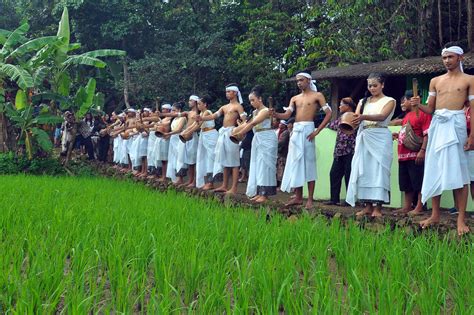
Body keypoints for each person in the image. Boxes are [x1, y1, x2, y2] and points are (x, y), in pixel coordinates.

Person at [415, 45, 473, 235]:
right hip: (438, 125)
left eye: (451, 57)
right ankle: (435, 214)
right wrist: (418, 105)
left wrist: (472, 136)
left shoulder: (469, 80)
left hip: (456, 125)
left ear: (460, 58)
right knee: (435, 168)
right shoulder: (435, 81)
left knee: (460, 173)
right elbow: (430, 109)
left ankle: (461, 219)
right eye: (444, 57)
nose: (447, 60)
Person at [271, 72, 332, 209]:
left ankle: (309, 199)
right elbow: (287, 114)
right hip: (296, 131)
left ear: (309, 80)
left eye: (301, 80)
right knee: (295, 163)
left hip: (308, 129)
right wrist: (276, 114)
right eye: (297, 81)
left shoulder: (318, 96)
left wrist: (317, 130)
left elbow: (329, 113)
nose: (299, 83)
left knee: (309, 164)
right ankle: (298, 197)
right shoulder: (295, 98)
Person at [345, 73, 396, 217]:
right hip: (365, 136)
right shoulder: (362, 102)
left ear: (382, 85)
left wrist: (363, 117)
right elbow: (355, 119)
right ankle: (367, 206)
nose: (372, 88)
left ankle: (378, 208)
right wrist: (350, 123)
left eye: (375, 85)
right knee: (365, 171)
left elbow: (382, 117)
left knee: (379, 171)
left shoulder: (389, 100)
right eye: (370, 85)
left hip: (380, 136)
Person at [197, 84, 246, 195]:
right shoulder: (224, 107)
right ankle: (224, 185)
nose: (227, 93)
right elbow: (214, 115)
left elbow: (244, 120)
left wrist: (240, 128)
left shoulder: (238, 106)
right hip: (223, 132)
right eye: (226, 91)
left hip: (232, 132)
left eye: (229, 91)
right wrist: (202, 117)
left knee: (234, 161)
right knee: (224, 158)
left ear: (235, 93)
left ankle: (233, 188)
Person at [232, 86, 277, 203]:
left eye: (253, 100)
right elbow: (247, 123)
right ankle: (259, 191)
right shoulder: (254, 112)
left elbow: (254, 123)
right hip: (258, 138)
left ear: (260, 99)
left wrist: (240, 133)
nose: (251, 103)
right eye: (250, 101)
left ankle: (265, 194)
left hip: (267, 138)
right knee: (257, 165)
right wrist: (235, 130)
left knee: (265, 165)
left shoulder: (265, 111)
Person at [392, 90, 431, 216]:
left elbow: (426, 135)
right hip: (403, 155)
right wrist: (398, 135)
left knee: (418, 182)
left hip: (415, 155)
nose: (402, 103)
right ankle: (407, 206)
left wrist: (422, 151)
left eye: (404, 100)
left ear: (412, 100)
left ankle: (419, 206)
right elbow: (408, 133)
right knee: (406, 183)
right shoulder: (407, 116)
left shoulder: (423, 114)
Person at [160, 95, 200, 187]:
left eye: (190, 100)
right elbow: (175, 114)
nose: (189, 102)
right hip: (185, 136)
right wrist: (162, 114)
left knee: (193, 160)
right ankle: (190, 180)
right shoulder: (187, 113)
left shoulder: (198, 113)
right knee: (187, 159)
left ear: (195, 102)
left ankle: (193, 181)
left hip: (192, 136)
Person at [325, 97, 356, 206]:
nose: (339, 106)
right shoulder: (342, 117)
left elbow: (332, 125)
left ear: (348, 106)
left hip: (350, 150)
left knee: (349, 175)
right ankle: (334, 199)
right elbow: (331, 125)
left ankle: (349, 200)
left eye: (341, 104)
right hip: (339, 151)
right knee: (334, 174)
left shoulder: (355, 117)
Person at [194, 95, 219, 190]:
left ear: (205, 104)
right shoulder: (201, 113)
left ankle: (210, 182)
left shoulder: (207, 112)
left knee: (210, 159)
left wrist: (187, 132)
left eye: (199, 104)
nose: (198, 106)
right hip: (204, 135)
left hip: (210, 135)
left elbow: (198, 125)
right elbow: (196, 125)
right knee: (203, 158)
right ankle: (206, 181)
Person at [164, 102, 187, 184]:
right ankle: (174, 177)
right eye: (171, 111)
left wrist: (168, 134)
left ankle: (180, 178)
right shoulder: (174, 119)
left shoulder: (183, 118)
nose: (172, 112)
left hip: (180, 139)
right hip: (173, 139)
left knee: (180, 158)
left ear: (179, 110)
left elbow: (178, 129)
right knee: (173, 158)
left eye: (174, 110)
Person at [276, 120, 290, 188]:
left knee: (281, 169)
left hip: (283, 153)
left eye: (281, 124)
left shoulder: (285, 132)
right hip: (280, 152)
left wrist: (275, 146)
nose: (280, 125)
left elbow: (281, 143)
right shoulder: (279, 131)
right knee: (280, 169)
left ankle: (281, 185)